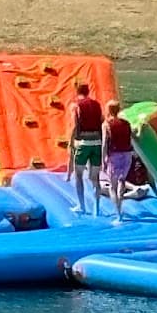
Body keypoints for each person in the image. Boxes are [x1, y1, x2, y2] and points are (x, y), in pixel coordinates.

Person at [68, 82, 104, 215]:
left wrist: (72, 141)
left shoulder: (76, 106)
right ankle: (97, 208)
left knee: (78, 175)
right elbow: (101, 121)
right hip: (97, 142)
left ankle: (81, 206)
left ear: (77, 92)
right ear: (88, 91)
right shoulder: (97, 105)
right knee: (95, 178)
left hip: (83, 142)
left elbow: (75, 125)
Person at [102, 101, 134, 223]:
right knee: (122, 181)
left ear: (109, 110)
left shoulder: (107, 124)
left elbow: (105, 143)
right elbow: (130, 139)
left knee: (112, 186)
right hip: (127, 155)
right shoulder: (126, 123)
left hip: (114, 156)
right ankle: (121, 208)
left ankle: (118, 214)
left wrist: (103, 159)